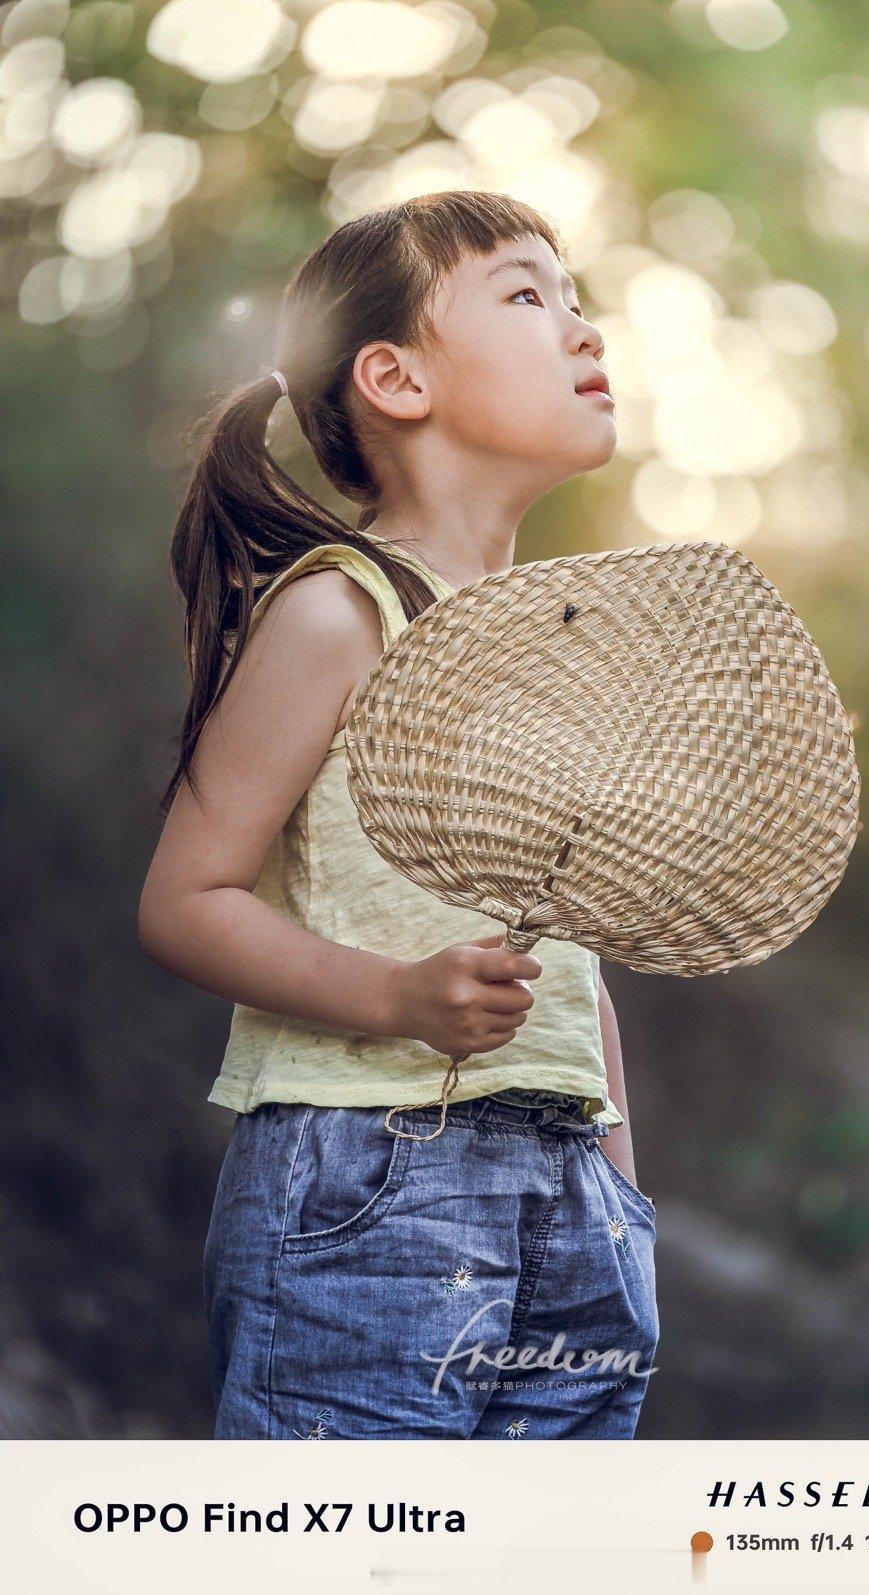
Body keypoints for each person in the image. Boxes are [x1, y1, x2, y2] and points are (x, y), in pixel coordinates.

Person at [138, 190, 658, 1440]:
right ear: (396, 378)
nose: (583, 330)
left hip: (571, 1194)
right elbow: (185, 900)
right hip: (372, 1182)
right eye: (529, 298)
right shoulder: (341, 611)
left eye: (574, 297)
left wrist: (623, 1202)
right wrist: (396, 999)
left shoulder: (558, 646)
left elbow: (572, 967)